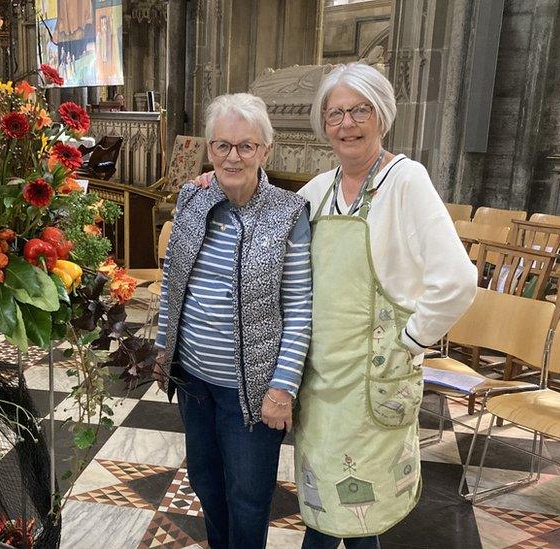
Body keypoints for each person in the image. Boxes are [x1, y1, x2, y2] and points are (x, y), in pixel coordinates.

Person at [190, 63, 477, 548]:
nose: (347, 124)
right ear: (324, 124)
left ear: (381, 115)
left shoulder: (406, 181)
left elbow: (458, 280)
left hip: (374, 380)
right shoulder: (318, 191)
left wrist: (410, 339)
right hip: (321, 383)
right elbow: (263, 203)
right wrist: (218, 180)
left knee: (364, 514)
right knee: (324, 504)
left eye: (359, 110)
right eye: (336, 113)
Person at [154, 92, 312, 549]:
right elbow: (172, 283)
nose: (232, 156)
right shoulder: (192, 197)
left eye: (245, 146)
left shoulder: (288, 213)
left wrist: (282, 388)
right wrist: (164, 352)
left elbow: (300, 309)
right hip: (193, 381)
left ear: (266, 150)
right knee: (205, 483)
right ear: (209, 149)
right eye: (221, 145)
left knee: (247, 495)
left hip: (254, 391)